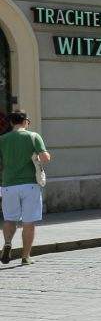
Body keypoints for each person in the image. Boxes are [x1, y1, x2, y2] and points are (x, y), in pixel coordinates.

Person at [0, 111, 50, 266]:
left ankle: (7, 242)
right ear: (26, 121)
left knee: (9, 219)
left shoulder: (2, 139)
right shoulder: (33, 136)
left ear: (11, 123)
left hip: (8, 184)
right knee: (29, 222)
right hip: (30, 185)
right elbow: (45, 158)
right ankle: (25, 256)